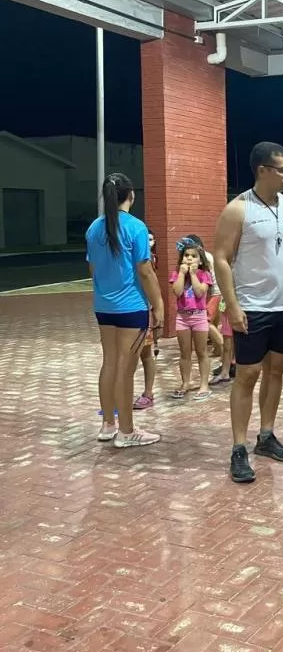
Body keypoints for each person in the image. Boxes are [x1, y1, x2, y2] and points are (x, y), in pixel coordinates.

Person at [213, 141, 283, 484]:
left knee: (276, 371)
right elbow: (221, 258)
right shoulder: (238, 210)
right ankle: (238, 448)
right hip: (253, 308)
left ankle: (266, 436)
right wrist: (232, 305)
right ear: (262, 170)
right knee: (247, 375)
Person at [86, 173, 164, 448]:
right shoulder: (136, 227)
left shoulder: (94, 228)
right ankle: (127, 431)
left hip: (103, 306)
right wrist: (158, 304)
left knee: (109, 362)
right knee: (125, 367)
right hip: (131, 307)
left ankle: (108, 424)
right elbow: (145, 271)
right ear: (131, 195)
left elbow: (93, 268)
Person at [169, 237, 213, 402]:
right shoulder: (177, 274)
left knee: (201, 352)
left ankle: (204, 385)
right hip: (182, 317)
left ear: (200, 260)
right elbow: (177, 291)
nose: (189, 258)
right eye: (186, 255)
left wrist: (193, 274)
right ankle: (185, 382)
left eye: (193, 256)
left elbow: (200, 292)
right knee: (184, 353)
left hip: (199, 316)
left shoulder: (204, 274)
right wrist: (182, 273)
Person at [133, 229, 159, 410]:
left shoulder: (149, 260)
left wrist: (157, 307)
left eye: (151, 239)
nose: (148, 242)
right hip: (133, 308)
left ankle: (148, 393)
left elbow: (150, 280)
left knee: (146, 353)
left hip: (144, 310)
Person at [187, 233, 223, 357]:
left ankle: (222, 346)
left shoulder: (203, 257)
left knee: (205, 321)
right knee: (212, 322)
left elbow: (205, 278)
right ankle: (218, 349)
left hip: (213, 293)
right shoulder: (207, 255)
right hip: (216, 292)